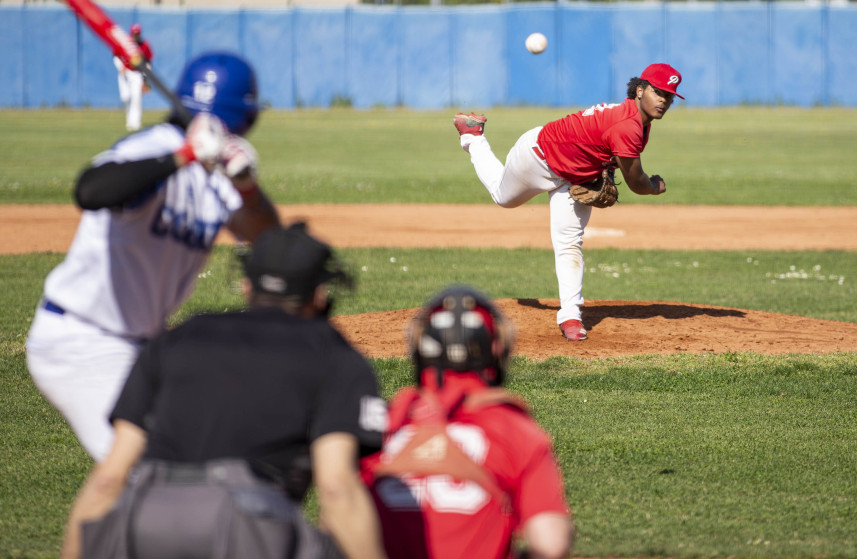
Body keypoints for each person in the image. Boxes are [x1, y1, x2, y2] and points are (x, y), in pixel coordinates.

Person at [59, 222, 388, 559]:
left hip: (145, 518)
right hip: (248, 526)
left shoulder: (179, 338)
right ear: (319, 294)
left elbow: (108, 479)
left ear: (247, 285)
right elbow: (336, 489)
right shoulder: (334, 354)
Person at [26, 51, 281, 461]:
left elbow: (269, 241)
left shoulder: (219, 176)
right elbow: (91, 190)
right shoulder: (152, 147)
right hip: (83, 341)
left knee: (206, 444)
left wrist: (248, 187)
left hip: (143, 347)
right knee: (156, 470)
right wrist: (185, 155)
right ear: (243, 115)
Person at [452, 63, 684, 342]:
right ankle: (473, 137)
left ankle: (571, 316)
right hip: (538, 157)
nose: (664, 100)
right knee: (503, 197)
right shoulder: (627, 124)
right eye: (659, 92)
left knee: (569, 242)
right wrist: (655, 186)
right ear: (640, 90)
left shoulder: (638, 122)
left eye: (669, 96)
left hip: (574, 178)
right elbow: (636, 183)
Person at [361, 285, 574, 559]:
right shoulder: (514, 428)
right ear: (496, 350)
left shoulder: (383, 423)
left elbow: (337, 517)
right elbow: (551, 544)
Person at [113, 23, 153, 131]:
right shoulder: (125, 43)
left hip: (137, 74)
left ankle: (135, 122)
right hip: (125, 73)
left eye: (137, 33)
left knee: (136, 98)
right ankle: (130, 119)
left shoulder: (144, 45)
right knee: (125, 97)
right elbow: (116, 56)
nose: (136, 35)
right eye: (134, 33)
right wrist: (120, 67)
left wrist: (145, 78)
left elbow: (148, 62)